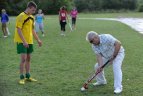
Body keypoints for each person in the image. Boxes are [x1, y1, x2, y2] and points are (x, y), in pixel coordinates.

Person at [14, 1, 42, 85]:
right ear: (29, 8)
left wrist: (38, 40)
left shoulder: (32, 17)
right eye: (33, 10)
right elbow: (18, 30)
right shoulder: (21, 16)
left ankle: (28, 76)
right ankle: (21, 77)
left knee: (29, 58)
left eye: (34, 11)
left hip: (30, 41)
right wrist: (24, 41)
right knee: (23, 59)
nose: (33, 12)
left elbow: (32, 30)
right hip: (21, 41)